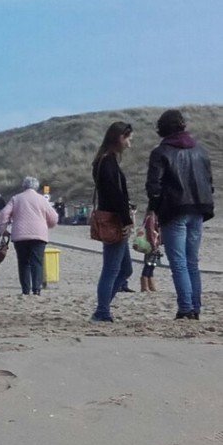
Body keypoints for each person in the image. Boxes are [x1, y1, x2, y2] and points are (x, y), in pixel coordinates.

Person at [145, 109, 214, 319]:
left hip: (175, 209)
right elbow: (209, 183)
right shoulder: (200, 151)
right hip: (199, 208)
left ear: (162, 129)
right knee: (192, 261)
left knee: (179, 262)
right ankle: (195, 307)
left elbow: (154, 186)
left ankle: (185, 308)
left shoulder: (161, 152)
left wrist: (153, 210)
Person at [90, 122, 135, 322]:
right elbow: (115, 195)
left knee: (125, 269)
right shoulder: (107, 162)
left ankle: (103, 308)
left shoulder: (105, 160)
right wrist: (126, 220)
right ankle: (102, 311)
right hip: (114, 220)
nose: (129, 144)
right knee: (112, 268)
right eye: (128, 139)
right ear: (119, 137)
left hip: (113, 217)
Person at [0, 176, 58, 295]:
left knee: (23, 262)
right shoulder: (42, 200)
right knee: (37, 262)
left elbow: (4, 213)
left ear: (23, 186)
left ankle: (25, 290)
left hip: (20, 235)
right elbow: (54, 217)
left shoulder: (16, 198)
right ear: (36, 187)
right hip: (39, 235)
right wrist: (49, 225)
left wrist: (3, 229)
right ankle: (36, 288)